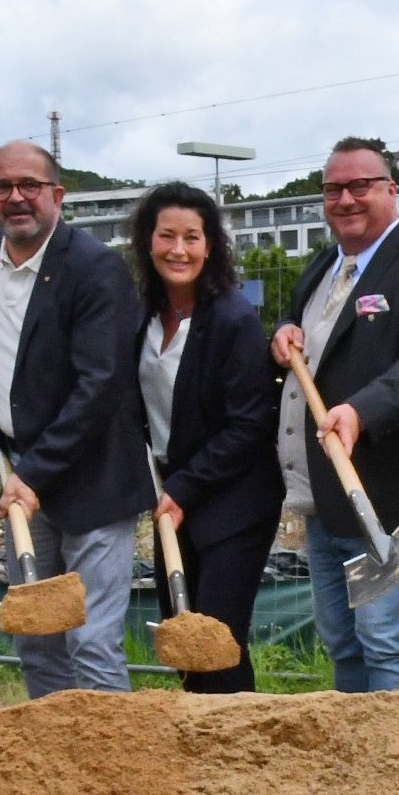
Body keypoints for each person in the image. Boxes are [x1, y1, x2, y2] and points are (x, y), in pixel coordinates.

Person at [269, 137, 399, 692]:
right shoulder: (323, 265)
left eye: (361, 185)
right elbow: (312, 331)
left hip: (392, 498)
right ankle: (359, 766)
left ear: (392, 190)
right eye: (334, 188)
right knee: (343, 641)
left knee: (387, 645)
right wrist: (285, 331)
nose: (346, 199)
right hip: (327, 497)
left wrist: (362, 410)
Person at [0, 141, 152, 697]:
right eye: (2, 187)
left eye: (29, 186)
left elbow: (100, 385)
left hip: (92, 478)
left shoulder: (96, 269)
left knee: (91, 639)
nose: (16, 198)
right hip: (22, 470)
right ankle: (52, 764)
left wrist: (33, 472)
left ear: (57, 196)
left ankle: (108, 763)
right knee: (37, 635)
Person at [129, 182, 283, 693]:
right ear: (147, 242)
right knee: (183, 639)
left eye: (192, 237)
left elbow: (249, 424)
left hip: (232, 498)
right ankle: (200, 748)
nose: (179, 249)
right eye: (167, 235)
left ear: (210, 245)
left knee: (215, 640)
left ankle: (238, 750)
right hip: (174, 493)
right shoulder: (143, 316)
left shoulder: (232, 319)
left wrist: (185, 487)